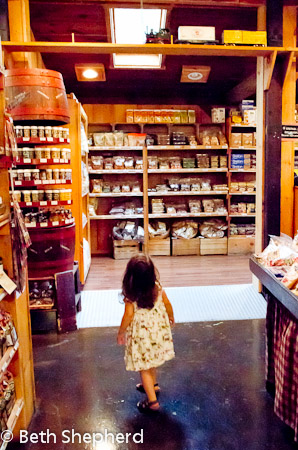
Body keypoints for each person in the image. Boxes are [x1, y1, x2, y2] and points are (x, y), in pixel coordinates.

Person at [117, 254, 175, 413]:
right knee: (152, 362)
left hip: (142, 338)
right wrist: (171, 316)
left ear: (130, 277)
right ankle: (153, 386)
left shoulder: (132, 296)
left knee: (144, 368)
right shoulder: (157, 288)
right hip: (157, 334)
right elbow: (168, 304)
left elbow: (128, 316)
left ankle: (152, 402)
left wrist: (121, 332)